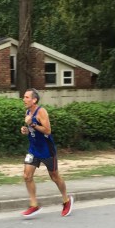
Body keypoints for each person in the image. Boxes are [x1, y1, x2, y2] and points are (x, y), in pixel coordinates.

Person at [19, 88, 74, 217]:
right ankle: (34, 205)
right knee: (27, 176)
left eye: (26, 97)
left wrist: (32, 124)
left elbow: (48, 130)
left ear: (34, 100)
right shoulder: (28, 112)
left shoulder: (41, 112)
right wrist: (26, 130)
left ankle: (66, 200)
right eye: (24, 97)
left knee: (54, 176)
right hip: (34, 149)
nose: (24, 99)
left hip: (47, 150)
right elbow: (32, 130)